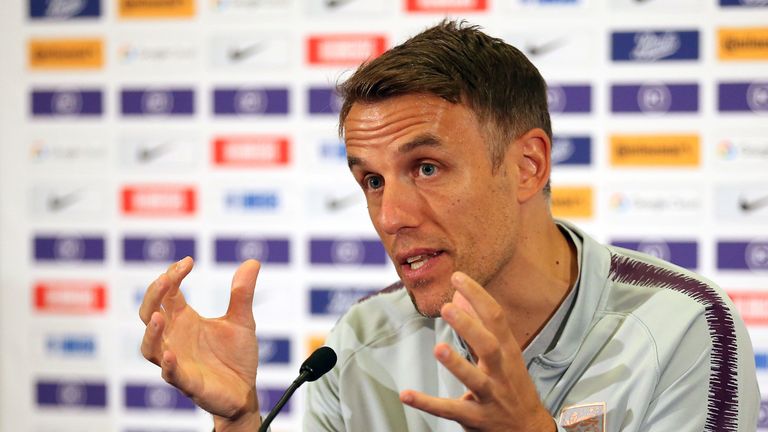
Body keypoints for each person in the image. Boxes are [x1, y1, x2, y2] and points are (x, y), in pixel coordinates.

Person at [139, 20, 760, 431]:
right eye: (372, 180)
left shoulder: (682, 323)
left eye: (427, 167)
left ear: (527, 165)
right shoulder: (357, 343)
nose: (391, 217)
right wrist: (243, 419)